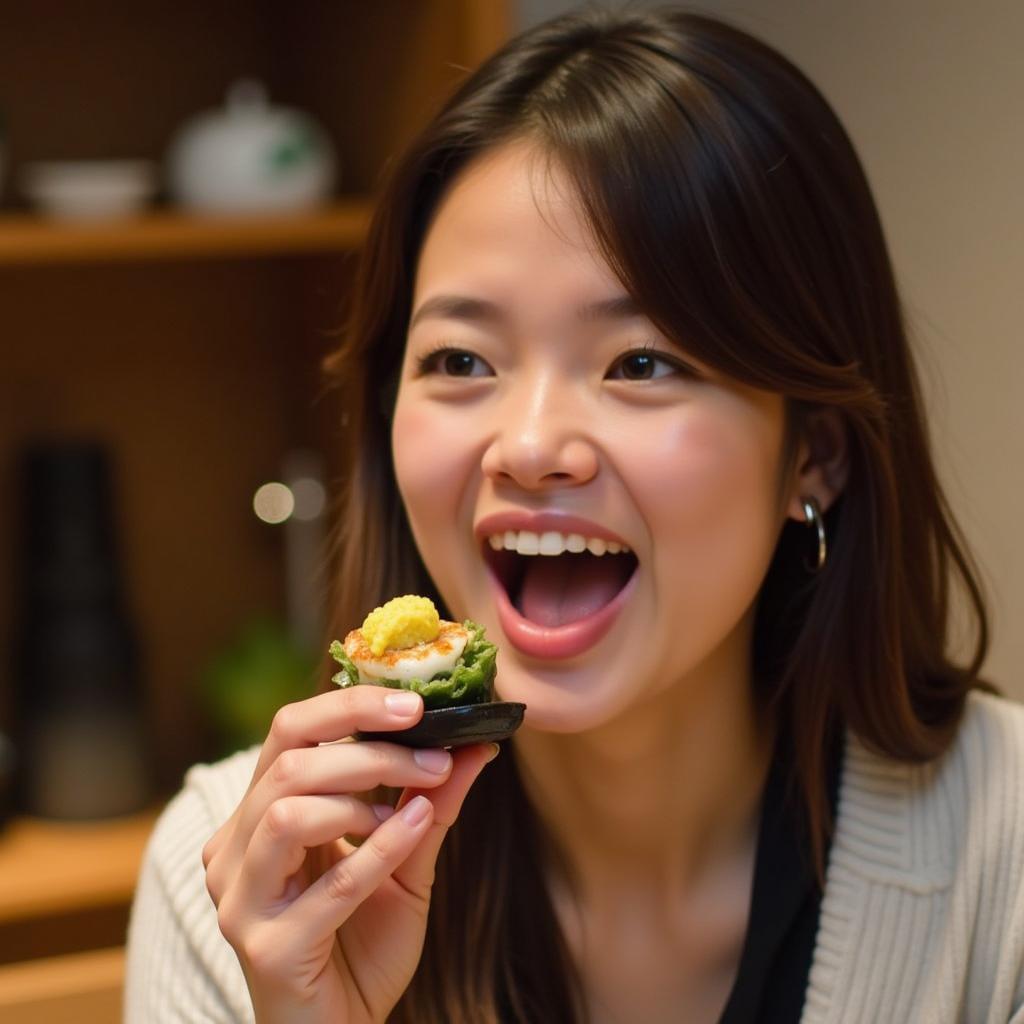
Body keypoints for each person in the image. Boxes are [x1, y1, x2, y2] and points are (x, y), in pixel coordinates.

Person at [124, 7, 1024, 1022]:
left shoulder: (1006, 859)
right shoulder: (241, 886)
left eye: (641, 362)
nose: (531, 445)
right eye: (461, 361)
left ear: (811, 451)